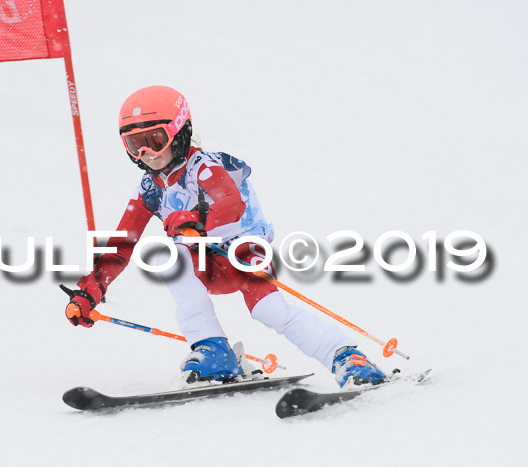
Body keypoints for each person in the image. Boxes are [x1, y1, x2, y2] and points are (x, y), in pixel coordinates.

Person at [63, 85, 386, 388]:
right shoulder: (149, 189)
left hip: (244, 253)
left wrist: (196, 219)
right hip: (204, 262)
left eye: (155, 139)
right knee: (169, 257)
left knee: (269, 311)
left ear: (179, 132)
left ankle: (347, 358)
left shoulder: (204, 166)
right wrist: (90, 290)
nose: (147, 152)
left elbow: (231, 203)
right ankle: (214, 351)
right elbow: (122, 245)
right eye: (135, 144)